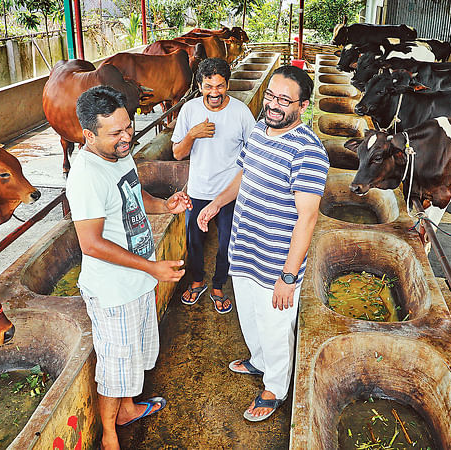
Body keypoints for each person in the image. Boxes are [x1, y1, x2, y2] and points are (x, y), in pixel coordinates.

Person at [196, 65, 329, 422]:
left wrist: (289, 276)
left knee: (275, 328)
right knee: (252, 319)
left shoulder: (308, 151)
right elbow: (244, 173)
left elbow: (308, 218)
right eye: (271, 95)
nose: (274, 104)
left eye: (285, 100)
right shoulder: (258, 130)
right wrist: (217, 203)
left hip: (275, 261)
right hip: (244, 248)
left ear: (302, 107)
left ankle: (275, 387)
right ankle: (258, 360)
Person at [66, 85, 192, 450]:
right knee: (115, 365)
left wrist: (165, 205)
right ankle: (109, 435)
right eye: (116, 133)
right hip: (112, 291)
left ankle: (128, 409)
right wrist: (152, 268)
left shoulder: (119, 154)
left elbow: (135, 198)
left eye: (128, 127)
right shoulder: (87, 175)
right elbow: (91, 244)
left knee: (132, 358)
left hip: (135, 282)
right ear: (88, 135)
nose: (126, 137)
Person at [172, 58, 256, 314]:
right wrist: (192, 134)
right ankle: (197, 281)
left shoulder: (241, 112)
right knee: (194, 241)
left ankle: (218, 285)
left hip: (231, 193)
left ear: (227, 84)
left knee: (227, 243)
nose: (215, 92)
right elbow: (177, 153)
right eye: (209, 86)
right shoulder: (189, 110)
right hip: (198, 190)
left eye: (220, 86)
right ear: (200, 85)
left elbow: (252, 153)